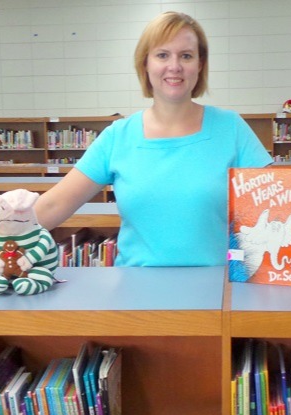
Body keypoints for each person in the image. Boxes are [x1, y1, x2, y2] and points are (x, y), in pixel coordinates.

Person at [35, 11, 272, 266]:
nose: (175, 66)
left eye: (186, 56)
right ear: (145, 63)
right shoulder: (118, 136)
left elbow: (281, 204)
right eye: (162, 55)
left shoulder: (231, 128)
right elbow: (53, 205)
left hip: (217, 293)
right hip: (137, 296)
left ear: (200, 64)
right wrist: (0, 236)